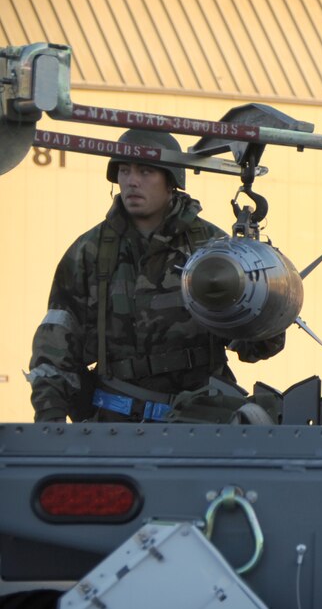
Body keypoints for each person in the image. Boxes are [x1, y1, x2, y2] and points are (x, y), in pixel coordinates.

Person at [27, 129, 284, 422]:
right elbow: (55, 346)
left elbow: (256, 347)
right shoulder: (89, 251)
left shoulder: (212, 248)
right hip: (114, 424)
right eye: (124, 170)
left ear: (171, 180)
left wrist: (272, 298)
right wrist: (50, 423)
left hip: (199, 423)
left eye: (146, 171)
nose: (132, 181)